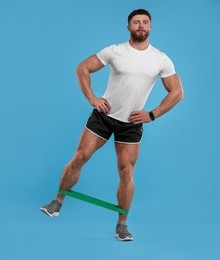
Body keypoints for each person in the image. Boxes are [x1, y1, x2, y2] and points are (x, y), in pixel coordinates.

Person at [40, 9, 183, 241]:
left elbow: (177, 92)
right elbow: (82, 68)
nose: (140, 25)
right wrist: (92, 98)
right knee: (79, 157)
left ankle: (122, 225)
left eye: (145, 22)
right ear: (128, 27)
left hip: (131, 124)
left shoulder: (161, 59)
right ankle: (57, 201)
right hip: (103, 117)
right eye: (136, 22)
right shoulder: (115, 51)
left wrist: (153, 114)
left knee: (126, 172)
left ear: (150, 27)